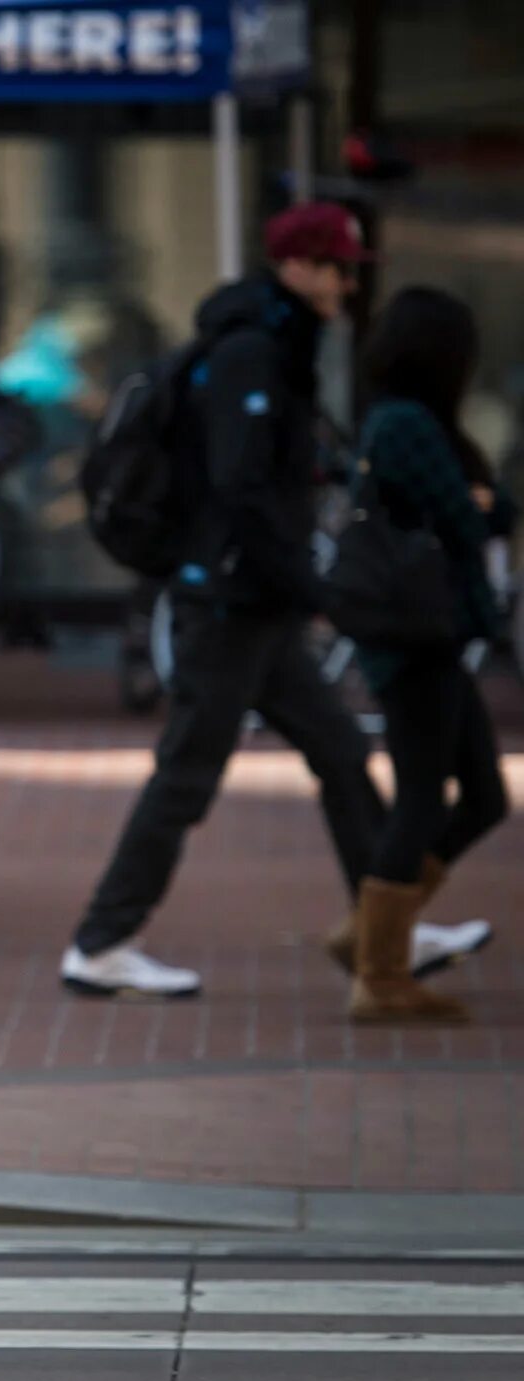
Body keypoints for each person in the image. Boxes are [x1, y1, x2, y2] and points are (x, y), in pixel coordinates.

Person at [61, 202, 488, 998]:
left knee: (339, 752)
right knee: (188, 775)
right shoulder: (254, 351)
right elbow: (243, 486)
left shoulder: (275, 345)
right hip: (229, 604)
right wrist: (312, 586)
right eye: (335, 268)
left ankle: (382, 929)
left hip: (255, 606)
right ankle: (102, 939)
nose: (345, 284)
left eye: (349, 270)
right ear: (296, 266)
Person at [342, 287, 515, 1023]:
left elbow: (485, 509)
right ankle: (379, 974)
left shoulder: (400, 420)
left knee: (484, 794)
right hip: (416, 638)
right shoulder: (406, 423)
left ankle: (367, 938)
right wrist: (479, 503)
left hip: (429, 637)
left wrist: (481, 504)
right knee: (421, 796)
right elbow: (475, 517)